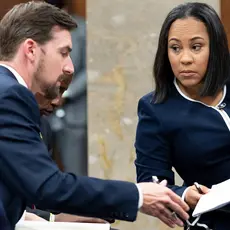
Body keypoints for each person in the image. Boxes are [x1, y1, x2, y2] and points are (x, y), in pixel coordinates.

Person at [0, 1, 189, 229]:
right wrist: (138, 195)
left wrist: (52, 218)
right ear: (30, 50)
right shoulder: (10, 96)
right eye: (63, 53)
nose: (70, 67)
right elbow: (46, 186)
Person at [135, 2, 230, 230]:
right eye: (175, 48)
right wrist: (185, 193)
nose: (185, 59)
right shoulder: (156, 108)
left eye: (196, 47)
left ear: (215, 48)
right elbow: (150, 181)